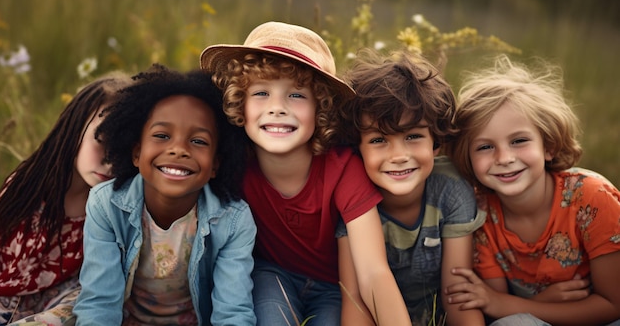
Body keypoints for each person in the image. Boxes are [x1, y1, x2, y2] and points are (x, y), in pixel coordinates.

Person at [200, 21, 410, 326]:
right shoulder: (234, 164)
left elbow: (372, 272)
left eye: (296, 95)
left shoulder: (342, 169)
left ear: (320, 107)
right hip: (271, 275)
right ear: (239, 104)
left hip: (333, 286)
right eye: (261, 93)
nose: (277, 108)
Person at [72, 65, 256, 326]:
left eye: (199, 141)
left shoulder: (233, 221)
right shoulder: (106, 204)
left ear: (216, 164)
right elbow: (99, 303)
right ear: (136, 153)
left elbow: (233, 313)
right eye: (161, 135)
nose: (179, 149)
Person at [444, 54, 620, 325]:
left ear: (548, 146)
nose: (503, 158)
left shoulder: (592, 198)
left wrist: (507, 304)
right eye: (485, 146)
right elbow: (499, 312)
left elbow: (612, 304)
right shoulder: (480, 214)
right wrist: (535, 304)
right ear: (468, 158)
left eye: (519, 141)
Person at [336, 48, 486, 326]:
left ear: (436, 140)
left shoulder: (450, 190)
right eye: (379, 140)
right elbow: (354, 299)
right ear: (357, 147)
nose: (398, 155)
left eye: (413, 136)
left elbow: (458, 296)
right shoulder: (350, 192)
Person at [0, 72, 133, 325]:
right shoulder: (28, 184)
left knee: (83, 302)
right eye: (101, 141)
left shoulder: (116, 204)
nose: (111, 160)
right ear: (75, 128)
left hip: (57, 306)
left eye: (124, 150)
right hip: (0, 299)